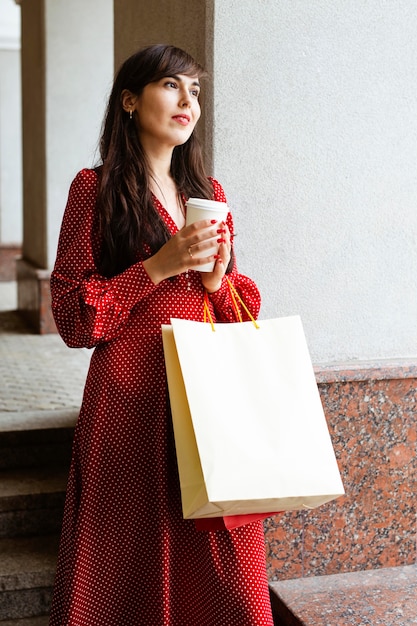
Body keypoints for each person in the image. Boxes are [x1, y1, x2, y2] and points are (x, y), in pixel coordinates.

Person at [49, 44, 274, 625]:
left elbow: (231, 308)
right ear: (130, 100)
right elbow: (74, 317)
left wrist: (219, 281)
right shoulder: (92, 189)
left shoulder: (210, 193)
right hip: (129, 397)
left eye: (194, 90)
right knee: (126, 555)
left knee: (227, 562)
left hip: (205, 394)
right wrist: (157, 266)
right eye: (171, 86)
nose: (187, 101)